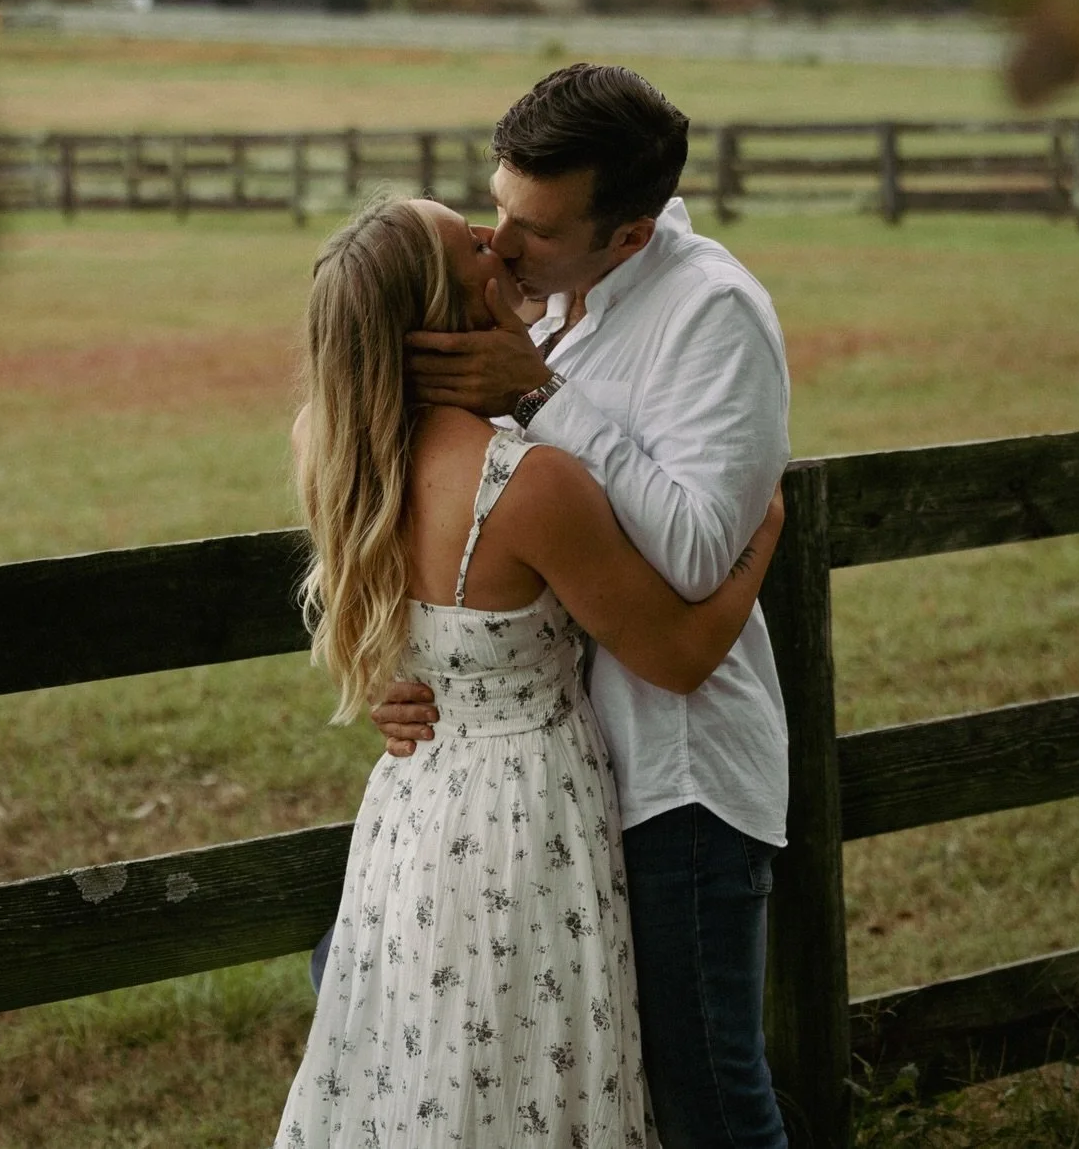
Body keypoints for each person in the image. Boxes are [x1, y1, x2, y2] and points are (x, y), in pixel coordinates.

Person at [272, 195, 784, 1148]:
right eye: (471, 238)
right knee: (541, 1076)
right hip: (529, 818)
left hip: (415, 808)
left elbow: (383, 608)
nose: (495, 235)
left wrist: (392, 671)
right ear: (444, 301)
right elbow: (673, 652)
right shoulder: (529, 483)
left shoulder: (328, 443)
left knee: (426, 1062)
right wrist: (762, 536)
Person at [381, 63, 792, 1149]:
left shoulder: (712, 314)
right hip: (543, 790)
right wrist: (423, 679)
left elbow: (703, 553)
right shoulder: (551, 300)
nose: (501, 246)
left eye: (536, 229)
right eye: (499, 210)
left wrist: (535, 393)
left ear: (629, 234)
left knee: (703, 1087)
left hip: (674, 779)